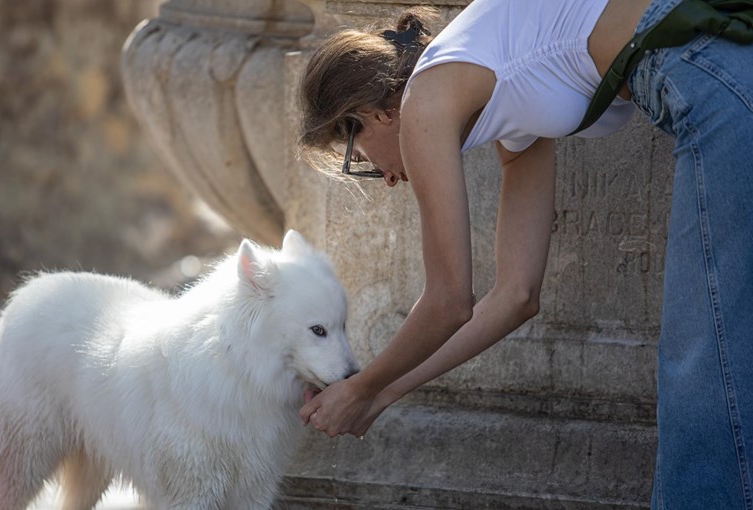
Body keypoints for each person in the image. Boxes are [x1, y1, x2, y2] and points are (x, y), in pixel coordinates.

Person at [297, 0, 753, 507]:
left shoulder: (425, 98)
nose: (384, 178)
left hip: (713, 79)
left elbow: (449, 300)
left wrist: (361, 389)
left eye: (360, 159)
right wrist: (383, 392)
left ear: (376, 114)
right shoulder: (498, 95)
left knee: (703, 382)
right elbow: (516, 294)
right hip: (721, 72)